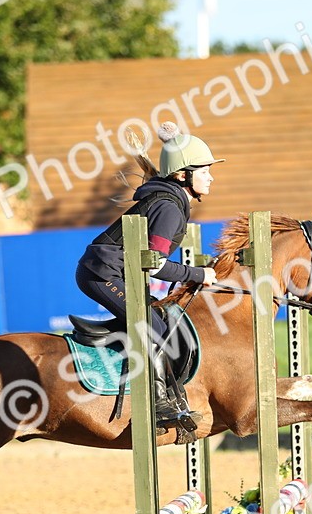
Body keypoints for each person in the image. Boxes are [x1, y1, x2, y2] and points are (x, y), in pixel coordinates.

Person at [75, 122, 223, 429]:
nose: (211, 176)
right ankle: (157, 404)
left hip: (110, 272)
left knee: (157, 319)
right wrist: (199, 274)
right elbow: (155, 265)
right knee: (154, 326)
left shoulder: (170, 196)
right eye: (205, 170)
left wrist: (173, 141)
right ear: (184, 174)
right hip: (101, 274)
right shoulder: (169, 207)